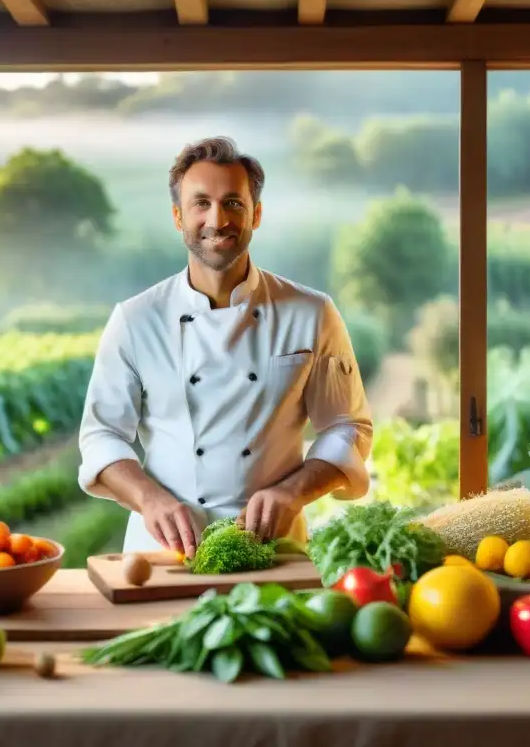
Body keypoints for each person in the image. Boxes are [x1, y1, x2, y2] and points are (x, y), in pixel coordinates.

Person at [77, 136, 373, 560]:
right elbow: (102, 433)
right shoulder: (135, 319)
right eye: (201, 203)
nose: (217, 219)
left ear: (256, 214)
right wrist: (148, 499)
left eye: (233, 203)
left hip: (274, 548)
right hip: (164, 552)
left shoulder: (311, 313)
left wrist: (292, 493)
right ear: (178, 217)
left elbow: (347, 426)